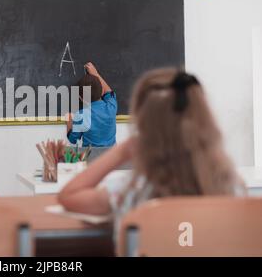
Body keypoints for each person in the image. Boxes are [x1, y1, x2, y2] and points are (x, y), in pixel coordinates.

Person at [59, 68, 246, 244]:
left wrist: (122, 152)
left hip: (93, 158)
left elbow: (68, 195)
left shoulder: (129, 193)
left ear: (142, 128)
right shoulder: (234, 189)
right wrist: (97, 74)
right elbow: (109, 94)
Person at [66, 62, 117, 147]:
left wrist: (69, 121)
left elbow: (73, 139)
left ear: (81, 98)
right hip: (112, 157)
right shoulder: (111, 107)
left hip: (91, 158)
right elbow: (109, 92)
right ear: (102, 91)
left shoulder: (81, 115)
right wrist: (96, 74)